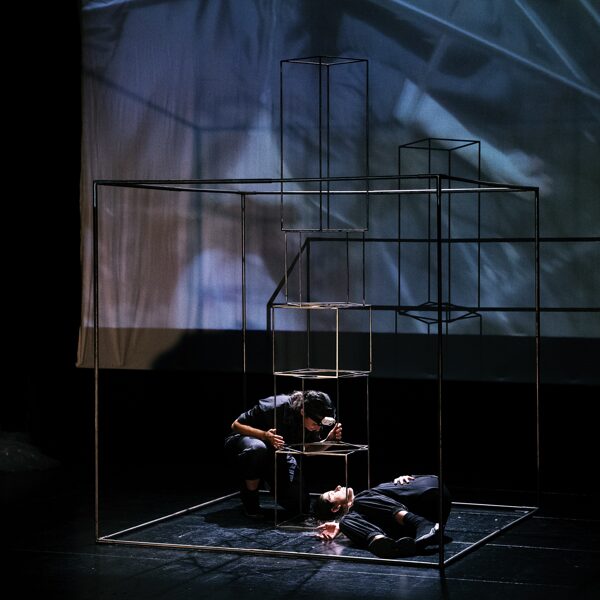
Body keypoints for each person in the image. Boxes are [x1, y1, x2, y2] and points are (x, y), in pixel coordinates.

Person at [225, 390, 342, 517]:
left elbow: (307, 450)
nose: (318, 428)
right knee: (257, 449)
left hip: (277, 452)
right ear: (303, 412)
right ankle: (250, 498)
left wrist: (329, 441)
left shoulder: (312, 421)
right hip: (245, 441)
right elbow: (235, 425)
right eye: (315, 424)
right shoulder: (275, 406)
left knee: (301, 505)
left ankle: (268, 478)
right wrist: (264, 435)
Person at [313, 474, 451, 559]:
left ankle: (421, 524)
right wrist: (340, 526)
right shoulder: (351, 518)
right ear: (335, 508)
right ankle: (386, 546)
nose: (338, 487)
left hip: (429, 492)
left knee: (360, 500)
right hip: (428, 516)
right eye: (332, 493)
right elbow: (355, 519)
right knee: (346, 520)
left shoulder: (364, 498)